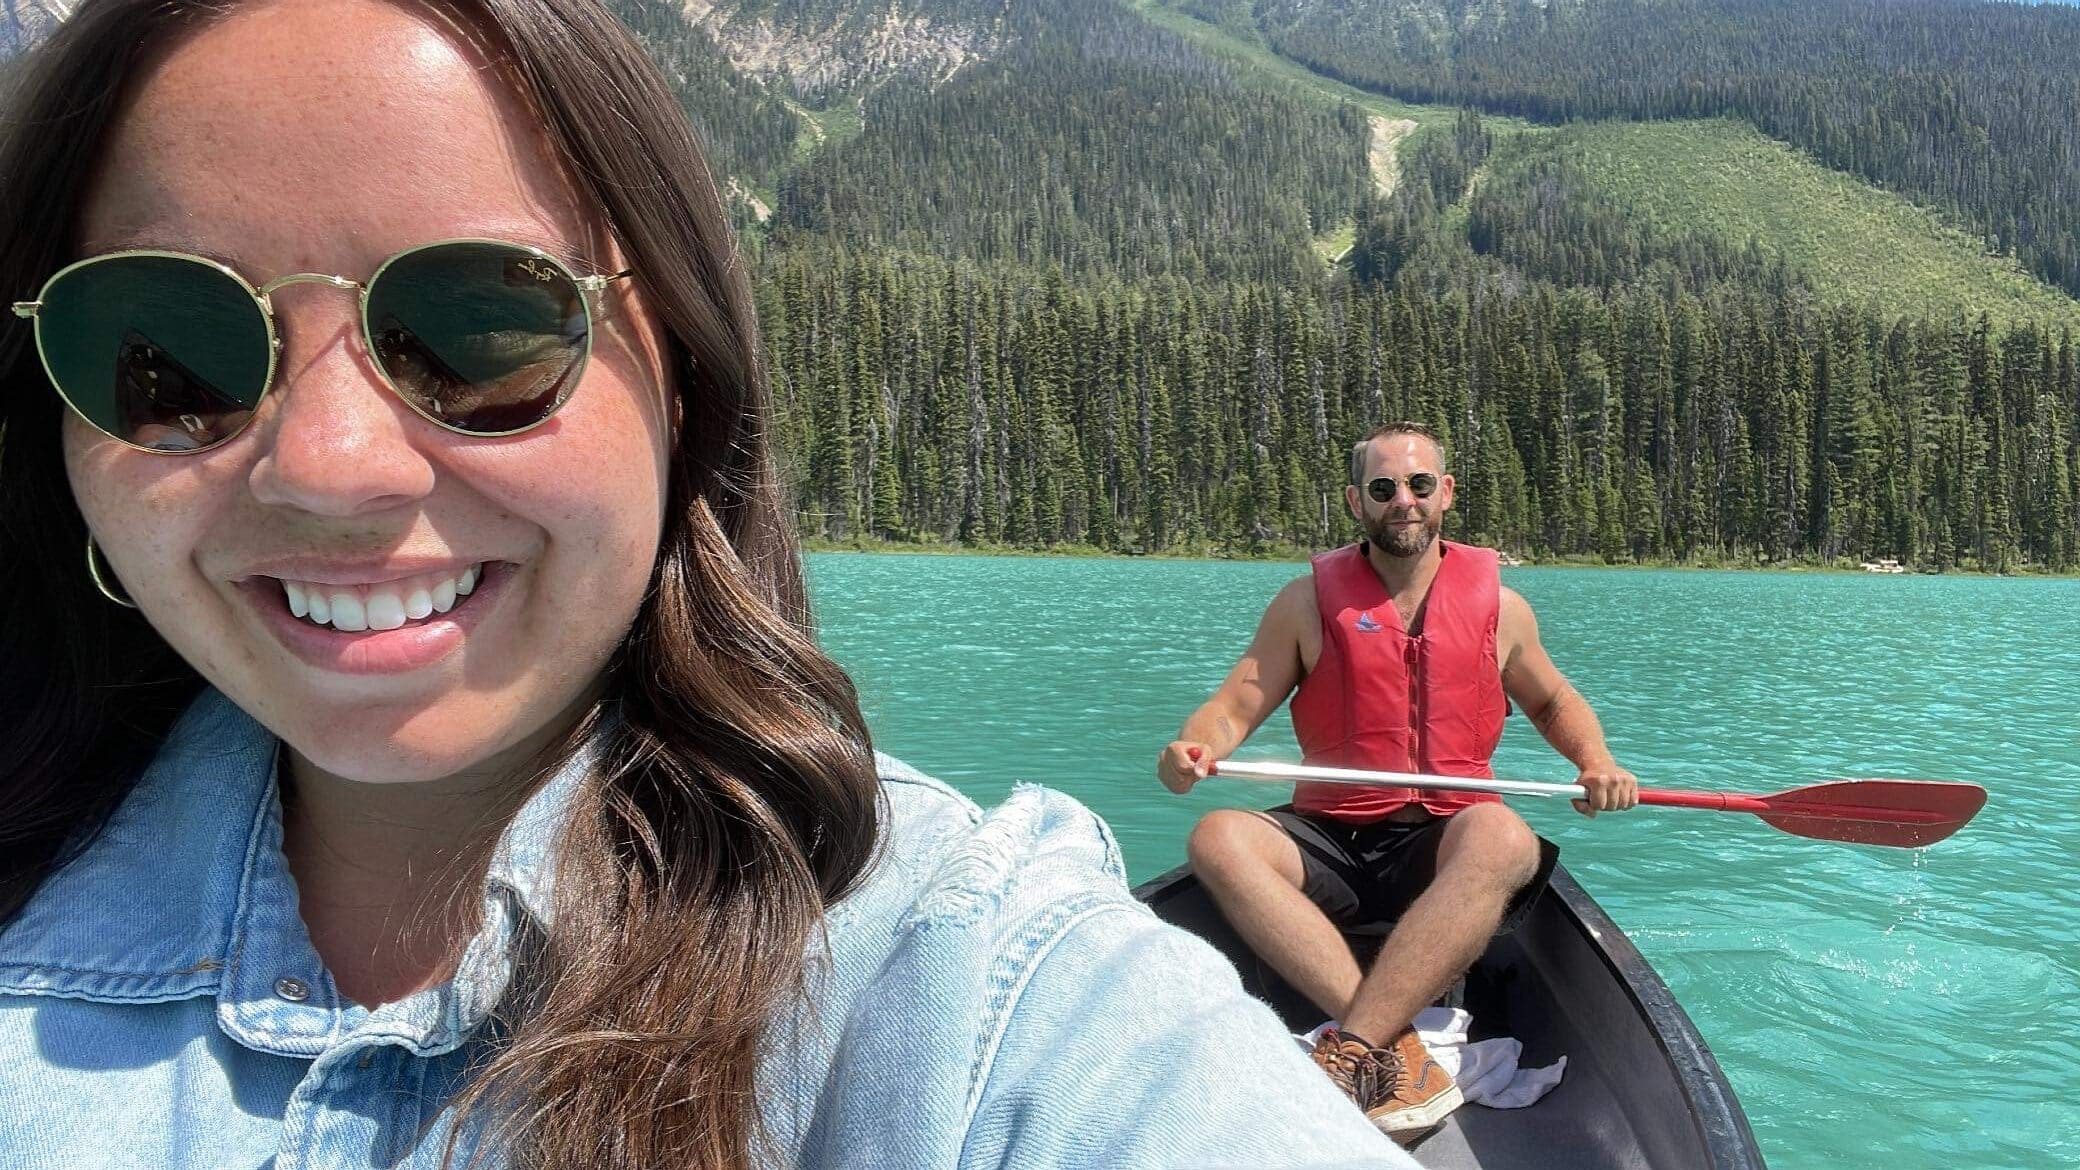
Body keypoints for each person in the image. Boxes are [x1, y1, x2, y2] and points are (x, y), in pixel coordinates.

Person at [0, 3, 1421, 1167]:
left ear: (684, 376)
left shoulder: (967, 983)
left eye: (480, 327)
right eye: (166, 348)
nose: (327, 466)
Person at [1157, 421, 1639, 1144]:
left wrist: (1595, 761)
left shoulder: (1502, 609)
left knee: (1504, 835)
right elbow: (1235, 705)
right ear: (1357, 501)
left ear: (1445, 494)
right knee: (1219, 838)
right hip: (1333, 838)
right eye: (1384, 489)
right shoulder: (1305, 603)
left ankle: (1349, 1049)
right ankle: (1394, 1047)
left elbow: (1552, 701)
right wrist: (1195, 746)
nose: (1403, 502)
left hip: (1442, 846)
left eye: (1419, 485)